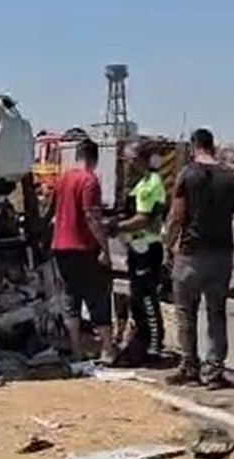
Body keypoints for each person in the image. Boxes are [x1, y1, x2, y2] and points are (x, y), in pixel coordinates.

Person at [164, 128, 234, 389]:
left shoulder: (187, 175)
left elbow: (176, 217)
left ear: (193, 147)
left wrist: (167, 245)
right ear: (213, 146)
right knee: (217, 314)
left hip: (190, 254)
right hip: (222, 255)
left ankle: (189, 367)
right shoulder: (233, 177)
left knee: (186, 314)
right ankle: (214, 372)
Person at [52, 137, 115, 363]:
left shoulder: (62, 179)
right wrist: (104, 248)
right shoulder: (90, 180)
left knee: (71, 299)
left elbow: (52, 211)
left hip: (60, 247)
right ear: (94, 159)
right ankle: (108, 348)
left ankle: (77, 351)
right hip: (83, 247)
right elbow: (91, 217)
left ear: (77, 156)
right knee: (97, 296)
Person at [115, 145, 167, 359]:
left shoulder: (151, 185)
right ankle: (142, 340)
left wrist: (116, 226)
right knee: (137, 297)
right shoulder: (141, 184)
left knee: (147, 297)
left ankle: (154, 343)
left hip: (147, 247)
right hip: (137, 247)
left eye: (130, 160)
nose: (128, 164)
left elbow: (142, 220)